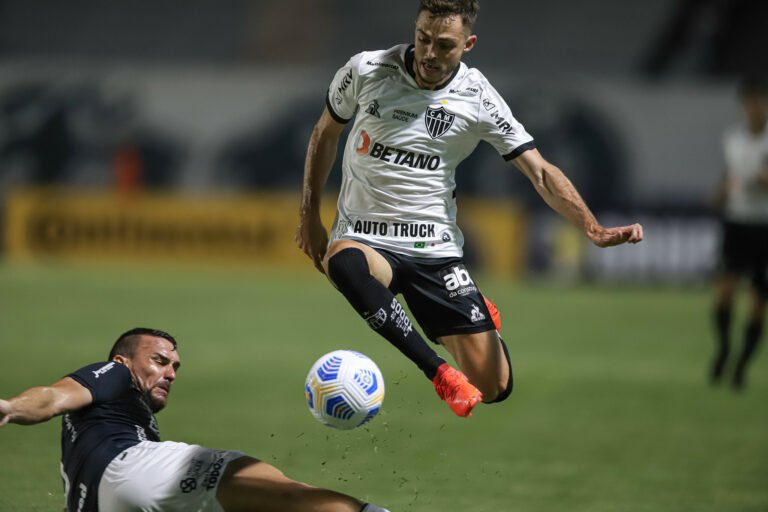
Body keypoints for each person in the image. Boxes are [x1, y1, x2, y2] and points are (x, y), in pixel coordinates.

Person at [295, 0, 643, 418]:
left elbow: (541, 173)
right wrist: (309, 214)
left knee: (495, 388)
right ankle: (439, 372)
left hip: (433, 248)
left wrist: (591, 227)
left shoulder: (477, 97)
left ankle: (477, 312)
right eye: (423, 39)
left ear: (468, 43)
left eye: (444, 45)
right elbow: (324, 133)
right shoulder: (368, 70)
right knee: (344, 264)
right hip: (366, 237)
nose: (428, 54)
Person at [0, 328, 391, 512]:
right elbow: (53, 397)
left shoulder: (127, 420)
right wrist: (10, 407)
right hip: (125, 468)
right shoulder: (112, 373)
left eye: (175, 367)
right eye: (158, 361)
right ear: (123, 360)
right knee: (272, 488)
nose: (170, 373)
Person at [710, 76, 768, 390]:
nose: (755, 108)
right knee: (724, 294)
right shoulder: (733, 138)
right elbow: (731, 175)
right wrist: (720, 191)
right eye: (750, 102)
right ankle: (723, 348)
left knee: (758, 303)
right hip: (736, 224)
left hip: (765, 227)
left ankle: (742, 366)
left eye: (760, 101)